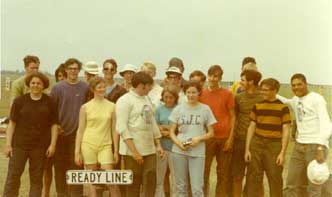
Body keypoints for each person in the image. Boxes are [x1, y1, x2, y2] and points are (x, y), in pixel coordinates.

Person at [3, 72, 58, 197]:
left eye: (39, 83)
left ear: (43, 85)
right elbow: (12, 124)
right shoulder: (19, 101)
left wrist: (52, 145)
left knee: (36, 179)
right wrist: (8, 144)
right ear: (28, 84)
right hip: (19, 146)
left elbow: (54, 125)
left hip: (39, 147)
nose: (35, 85)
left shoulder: (50, 102)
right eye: (33, 83)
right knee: (13, 176)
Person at [278, 73, 332, 197]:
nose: (296, 88)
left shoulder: (316, 99)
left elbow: (327, 125)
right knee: (292, 183)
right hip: (299, 146)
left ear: (305, 84)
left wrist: (320, 147)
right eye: (293, 85)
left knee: (314, 186)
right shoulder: (296, 100)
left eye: (299, 84)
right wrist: (271, 93)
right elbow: (287, 101)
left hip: (315, 146)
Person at [116, 71, 164, 197]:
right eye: (149, 86)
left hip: (149, 150)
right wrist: (135, 152)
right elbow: (122, 128)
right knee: (133, 183)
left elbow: (151, 122)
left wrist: (158, 144)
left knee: (150, 181)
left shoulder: (146, 99)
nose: (150, 89)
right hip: (132, 152)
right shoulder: (124, 100)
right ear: (142, 85)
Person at [244, 78, 291, 197]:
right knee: (253, 178)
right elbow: (251, 127)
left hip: (274, 146)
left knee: (275, 178)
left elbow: (286, 130)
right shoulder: (257, 105)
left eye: (266, 90)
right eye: (262, 89)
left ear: (274, 90)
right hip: (257, 144)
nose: (262, 92)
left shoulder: (283, 108)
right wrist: (247, 149)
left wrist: (282, 153)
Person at [169, 81, 216, 196]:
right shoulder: (178, 109)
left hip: (197, 152)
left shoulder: (205, 109)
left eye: (194, 92)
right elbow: (171, 132)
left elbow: (211, 133)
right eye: (188, 92)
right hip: (179, 151)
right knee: (181, 187)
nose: (191, 95)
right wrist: (179, 144)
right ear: (185, 93)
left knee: (197, 188)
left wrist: (198, 139)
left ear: (199, 93)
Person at [74, 77, 120, 196]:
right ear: (93, 89)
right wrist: (77, 152)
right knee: (94, 182)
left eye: (103, 87)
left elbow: (114, 129)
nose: (102, 89)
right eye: (99, 87)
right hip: (88, 144)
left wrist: (116, 150)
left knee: (110, 180)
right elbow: (80, 130)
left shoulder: (112, 106)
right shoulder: (85, 107)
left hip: (105, 145)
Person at [51, 58, 89, 197]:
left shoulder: (85, 87)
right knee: (60, 169)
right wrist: (56, 126)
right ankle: (62, 194)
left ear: (79, 70)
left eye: (76, 68)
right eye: (70, 68)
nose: (73, 71)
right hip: (60, 135)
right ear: (66, 70)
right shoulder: (58, 88)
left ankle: (76, 194)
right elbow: (52, 111)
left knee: (76, 168)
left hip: (77, 136)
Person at [199, 65, 235, 197]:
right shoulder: (201, 94)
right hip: (207, 138)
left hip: (224, 137)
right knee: (204, 171)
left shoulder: (227, 94)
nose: (213, 79)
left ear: (220, 78)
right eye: (211, 75)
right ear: (207, 76)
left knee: (223, 172)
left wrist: (231, 138)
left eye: (216, 76)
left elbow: (233, 116)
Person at [231, 69, 263, 197]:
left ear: (251, 82)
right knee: (237, 176)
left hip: (257, 142)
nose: (240, 82)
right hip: (240, 141)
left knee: (256, 178)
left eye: (243, 80)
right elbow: (234, 118)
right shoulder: (238, 97)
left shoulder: (262, 98)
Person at [42, 63, 66, 197]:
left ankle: (63, 193)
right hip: (51, 135)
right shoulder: (51, 94)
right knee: (47, 168)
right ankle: (46, 193)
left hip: (65, 135)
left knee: (62, 168)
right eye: (59, 76)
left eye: (64, 76)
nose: (61, 79)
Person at [155, 86, 179, 197]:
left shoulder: (179, 109)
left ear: (175, 98)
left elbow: (181, 127)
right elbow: (155, 126)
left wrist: (169, 132)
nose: (168, 99)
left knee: (175, 178)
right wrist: (169, 128)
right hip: (161, 148)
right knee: (159, 178)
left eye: (171, 97)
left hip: (175, 148)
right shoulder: (159, 109)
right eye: (165, 97)